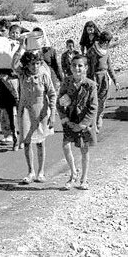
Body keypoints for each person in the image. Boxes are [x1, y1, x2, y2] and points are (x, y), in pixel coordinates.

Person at [12, 49, 56, 184]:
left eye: (37, 63)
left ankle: (41, 172)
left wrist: (52, 114)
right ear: (26, 65)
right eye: (32, 64)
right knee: (26, 142)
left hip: (41, 111)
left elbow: (52, 94)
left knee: (40, 142)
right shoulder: (23, 75)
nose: (35, 66)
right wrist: (20, 47)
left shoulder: (44, 76)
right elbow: (13, 64)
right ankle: (30, 171)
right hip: (25, 110)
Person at [57, 55, 98, 190]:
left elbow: (93, 107)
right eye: (74, 65)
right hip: (69, 120)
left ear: (86, 68)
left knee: (84, 149)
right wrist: (65, 119)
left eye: (80, 65)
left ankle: (84, 179)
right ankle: (73, 173)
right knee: (65, 145)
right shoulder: (66, 82)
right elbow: (59, 102)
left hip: (83, 122)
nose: (77, 68)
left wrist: (83, 124)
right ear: (70, 67)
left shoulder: (90, 85)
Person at [86, 31, 120, 133]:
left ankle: (99, 117)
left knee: (103, 101)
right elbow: (89, 67)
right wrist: (91, 81)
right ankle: (93, 123)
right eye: (108, 42)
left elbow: (109, 66)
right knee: (94, 102)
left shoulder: (106, 51)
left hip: (105, 78)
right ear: (105, 41)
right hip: (95, 78)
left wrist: (115, 81)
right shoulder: (92, 51)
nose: (109, 44)